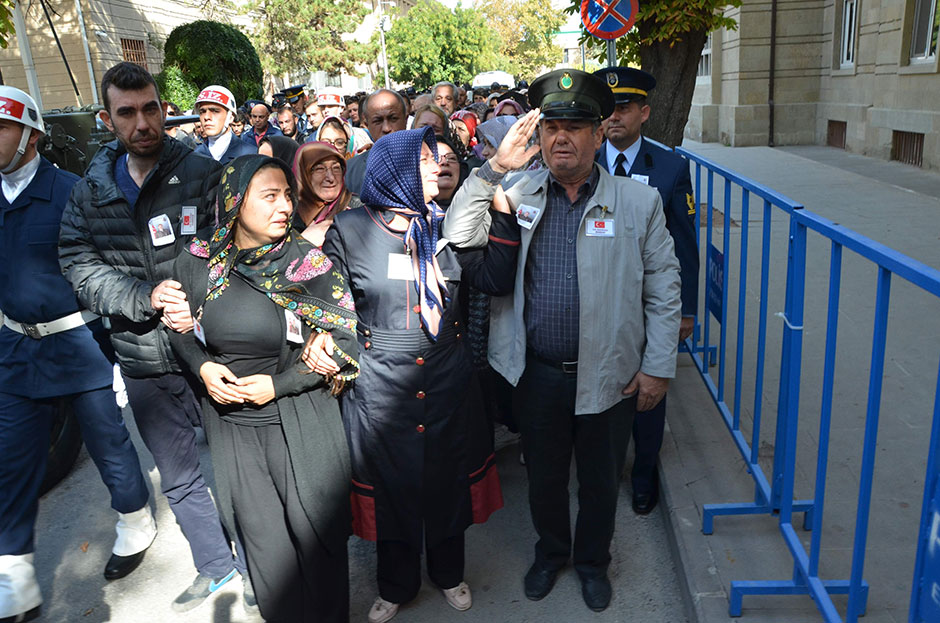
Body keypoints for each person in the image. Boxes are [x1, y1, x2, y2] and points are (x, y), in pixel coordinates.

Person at [442, 69, 682, 612]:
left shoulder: (637, 203)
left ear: (599, 134)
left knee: (599, 484)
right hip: (537, 373)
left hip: (611, 374)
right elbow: (457, 237)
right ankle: (552, 554)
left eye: (575, 126)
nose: (561, 138)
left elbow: (665, 289)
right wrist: (494, 167)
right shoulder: (514, 191)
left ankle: (594, 562)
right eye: (551, 127)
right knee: (546, 480)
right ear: (540, 134)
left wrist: (659, 365)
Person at [58, 62, 250, 612]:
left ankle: (261, 556)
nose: (142, 122)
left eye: (150, 108)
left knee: (240, 464)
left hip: (209, 347)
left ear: (164, 109)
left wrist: (200, 300)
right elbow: (77, 262)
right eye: (127, 112)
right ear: (107, 118)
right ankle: (217, 567)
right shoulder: (90, 191)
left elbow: (233, 248)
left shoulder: (200, 172)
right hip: (141, 355)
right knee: (180, 475)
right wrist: (142, 298)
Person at [322, 126, 514, 623]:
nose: (439, 167)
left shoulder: (451, 225)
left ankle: (450, 573)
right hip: (380, 384)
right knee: (392, 489)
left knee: (449, 481)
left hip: (449, 376)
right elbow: (330, 307)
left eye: (442, 159)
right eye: (427, 160)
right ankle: (396, 584)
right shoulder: (350, 229)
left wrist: (503, 218)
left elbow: (493, 278)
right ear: (397, 170)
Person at [168, 154, 359, 622]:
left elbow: (349, 337)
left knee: (317, 540)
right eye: (269, 196)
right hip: (234, 430)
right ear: (234, 202)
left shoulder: (307, 265)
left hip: (302, 421)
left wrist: (281, 383)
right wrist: (202, 368)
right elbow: (177, 328)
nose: (284, 206)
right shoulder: (198, 263)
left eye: (287, 196)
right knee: (266, 551)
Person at [0, 86, 154, 623]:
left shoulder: (74, 192)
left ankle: (135, 520)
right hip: (15, 351)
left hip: (80, 344)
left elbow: (112, 269)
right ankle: (13, 574)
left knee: (109, 445)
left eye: (1, 128)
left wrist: (117, 351)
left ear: (32, 133)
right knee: (12, 463)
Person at [593, 67, 698, 515]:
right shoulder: (585, 161)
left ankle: (643, 475)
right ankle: (603, 468)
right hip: (598, 301)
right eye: (608, 110)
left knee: (650, 393)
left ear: (644, 112)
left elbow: (685, 243)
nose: (614, 117)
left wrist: (686, 311)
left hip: (649, 303)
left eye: (624, 108)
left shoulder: (670, 166)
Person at [293, 141, 360, 245]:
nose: (331, 178)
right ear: (303, 174)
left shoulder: (357, 210)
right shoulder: (287, 214)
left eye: (336, 168)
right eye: (320, 169)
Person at [344, 88, 409, 195]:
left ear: (406, 119)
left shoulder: (429, 165)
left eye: (393, 118)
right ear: (367, 124)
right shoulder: (350, 171)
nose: (386, 128)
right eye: (378, 121)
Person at [193, 85, 257, 164]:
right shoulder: (195, 156)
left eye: (215, 111)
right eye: (202, 112)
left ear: (230, 117)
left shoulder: (251, 155)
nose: (206, 117)